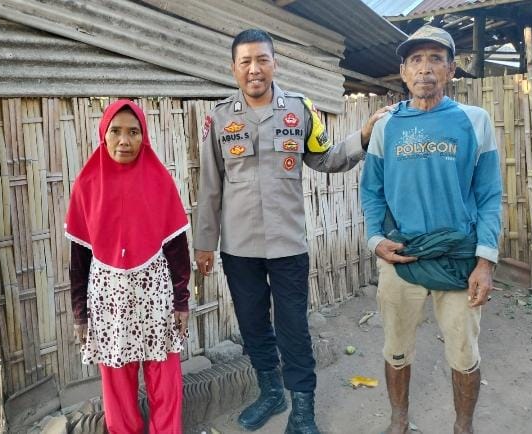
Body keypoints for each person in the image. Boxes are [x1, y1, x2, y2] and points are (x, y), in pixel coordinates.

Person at [194, 28, 388, 434]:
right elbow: (210, 185)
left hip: (287, 245)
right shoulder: (220, 117)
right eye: (245, 61)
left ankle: (303, 410)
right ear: (234, 69)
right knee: (252, 325)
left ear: (274, 64)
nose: (254, 69)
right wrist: (204, 244)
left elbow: (327, 158)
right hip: (239, 247)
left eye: (262, 59)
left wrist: (363, 136)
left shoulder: (300, 110)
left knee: (294, 328)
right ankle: (270, 392)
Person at [360, 25, 502, 434]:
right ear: (404, 72)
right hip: (401, 256)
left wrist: (485, 261)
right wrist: (375, 240)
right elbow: (371, 191)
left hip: (459, 258)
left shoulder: (474, 121)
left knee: (464, 353)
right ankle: (399, 421)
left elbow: (489, 194)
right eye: (416, 60)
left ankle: (463, 427)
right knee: (396, 348)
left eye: (436, 59)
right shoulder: (387, 125)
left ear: (451, 70)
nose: (425, 68)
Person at [66, 99, 191, 434]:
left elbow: (177, 250)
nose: (125, 140)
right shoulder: (86, 185)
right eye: (116, 131)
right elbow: (79, 260)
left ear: (143, 136)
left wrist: (181, 301)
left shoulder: (160, 181)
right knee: (117, 383)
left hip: (155, 295)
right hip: (108, 300)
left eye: (134, 132)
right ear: (103, 135)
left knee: (164, 375)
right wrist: (80, 314)